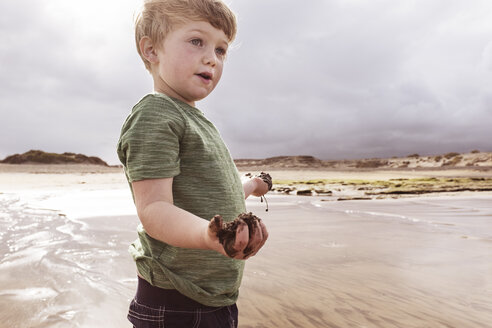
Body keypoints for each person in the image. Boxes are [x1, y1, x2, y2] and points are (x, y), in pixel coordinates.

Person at [116, 0, 270, 327]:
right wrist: (208, 236)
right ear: (151, 50)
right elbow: (154, 208)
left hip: (213, 297)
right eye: (196, 41)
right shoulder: (156, 114)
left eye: (221, 50)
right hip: (177, 303)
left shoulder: (194, 118)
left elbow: (210, 193)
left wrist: (252, 185)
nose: (211, 58)